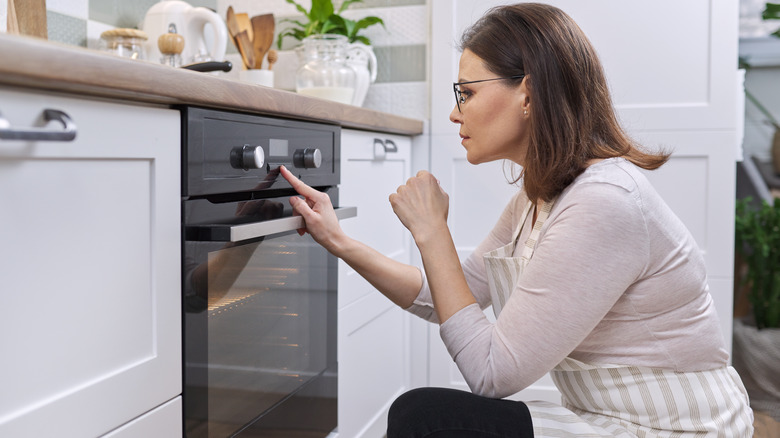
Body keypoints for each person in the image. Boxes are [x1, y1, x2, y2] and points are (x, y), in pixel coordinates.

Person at [279, 2, 754, 436]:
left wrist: (432, 232)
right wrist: (339, 240)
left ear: (528, 93)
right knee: (421, 415)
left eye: (466, 93)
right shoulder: (537, 198)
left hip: (677, 428)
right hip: (603, 417)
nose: (454, 113)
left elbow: (492, 374)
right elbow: (442, 297)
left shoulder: (605, 201)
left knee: (425, 418)